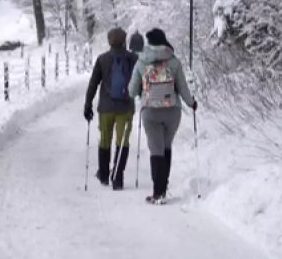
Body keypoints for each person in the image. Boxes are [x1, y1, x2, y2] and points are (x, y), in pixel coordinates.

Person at [130, 28, 197, 204]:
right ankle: (163, 189)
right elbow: (183, 88)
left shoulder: (141, 62)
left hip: (150, 110)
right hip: (172, 111)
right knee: (166, 147)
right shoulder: (174, 61)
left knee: (156, 150)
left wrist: (140, 92)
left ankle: (157, 192)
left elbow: (131, 91)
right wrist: (192, 103)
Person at [83, 27, 137, 189]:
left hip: (105, 108)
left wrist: (88, 104)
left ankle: (105, 175)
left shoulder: (102, 59)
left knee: (105, 139)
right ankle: (118, 178)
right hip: (126, 107)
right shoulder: (133, 58)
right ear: (124, 40)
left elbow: (93, 83)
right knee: (123, 141)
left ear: (109, 41)